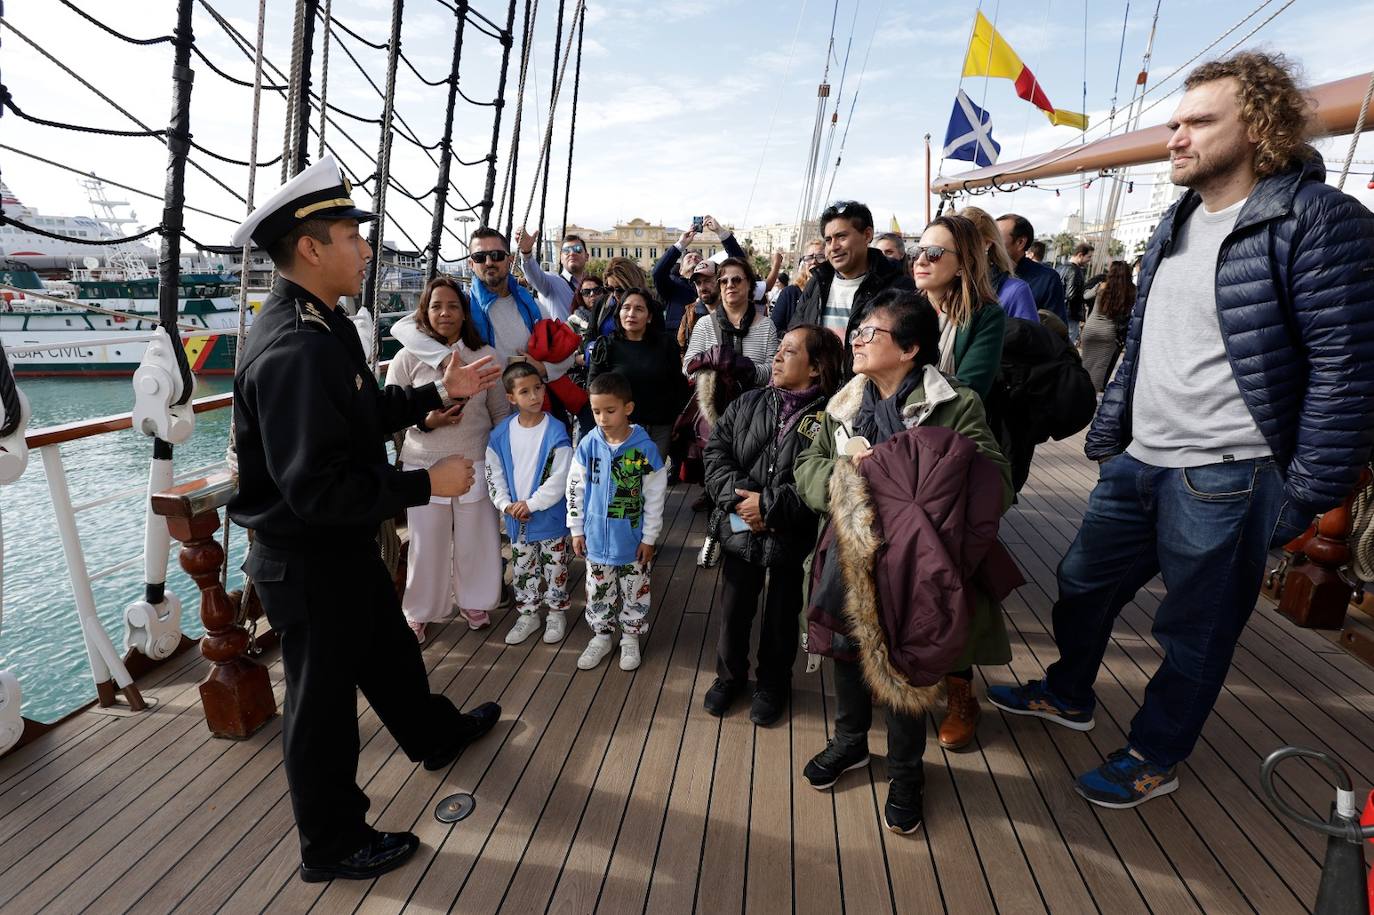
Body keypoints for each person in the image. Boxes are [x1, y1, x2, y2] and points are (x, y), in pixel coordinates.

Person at [988, 51, 1374, 809]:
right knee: (1080, 584)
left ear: (1259, 127)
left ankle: (1155, 752)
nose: (1175, 137)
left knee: (1193, 630)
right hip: (1142, 458)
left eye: (1199, 122)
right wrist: (1112, 431)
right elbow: (1144, 334)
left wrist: (1304, 494)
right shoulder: (1179, 217)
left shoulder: (1320, 222)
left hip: (1231, 470)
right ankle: (1069, 692)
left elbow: (1349, 370)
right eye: (1174, 122)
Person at [228, 155, 503, 882]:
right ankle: (332, 843)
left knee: (388, 651)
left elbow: (356, 415)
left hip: (338, 549)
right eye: (352, 235)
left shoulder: (326, 327)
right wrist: (427, 480)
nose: (366, 248)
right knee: (319, 711)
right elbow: (318, 487)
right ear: (312, 248)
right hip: (306, 556)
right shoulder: (293, 347)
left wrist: (426, 400)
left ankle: (434, 736)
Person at [794, 290, 1015, 835]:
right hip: (848, 553)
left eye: (871, 333)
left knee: (908, 667)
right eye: (857, 331)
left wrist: (901, 478)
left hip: (914, 566)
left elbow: (994, 481)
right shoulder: (842, 403)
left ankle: (906, 771)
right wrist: (847, 479)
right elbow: (807, 466)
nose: (857, 340)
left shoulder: (955, 405)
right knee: (847, 650)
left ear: (911, 348)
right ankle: (849, 741)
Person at [701, 324, 844, 725]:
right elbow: (716, 455)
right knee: (733, 610)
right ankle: (729, 678)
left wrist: (771, 507)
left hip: (791, 532)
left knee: (782, 615)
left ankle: (773, 684)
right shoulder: (748, 402)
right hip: (739, 524)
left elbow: (827, 480)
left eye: (790, 351)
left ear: (816, 368)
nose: (777, 357)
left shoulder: (832, 418)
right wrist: (742, 500)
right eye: (778, 349)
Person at [385, 277, 510, 638]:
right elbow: (393, 414)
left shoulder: (485, 356)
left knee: (478, 538)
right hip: (423, 463)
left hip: (475, 458)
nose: (444, 313)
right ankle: (421, 609)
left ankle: (475, 600)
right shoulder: (406, 358)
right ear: (424, 312)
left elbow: (500, 413)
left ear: (464, 312)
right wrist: (427, 420)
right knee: (426, 544)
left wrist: (504, 459)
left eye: (453, 306)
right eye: (436, 306)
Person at [567, 372, 669, 672]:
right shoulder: (589, 445)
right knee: (598, 589)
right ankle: (601, 636)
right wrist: (576, 528)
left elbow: (654, 495)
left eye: (609, 410)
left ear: (628, 408)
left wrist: (649, 538)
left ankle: (630, 637)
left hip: (632, 542)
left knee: (635, 589)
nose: (602, 418)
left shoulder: (643, 449)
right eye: (596, 411)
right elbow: (575, 487)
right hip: (595, 540)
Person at [486, 362, 574, 646]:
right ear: (511, 398)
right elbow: (494, 473)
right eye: (525, 391)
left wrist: (532, 504)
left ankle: (557, 614)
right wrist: (505, 504)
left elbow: (558, 477)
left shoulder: (556, 431)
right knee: (523, 570)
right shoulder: (500, 435)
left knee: (556, 569)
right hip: (516, 521)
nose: (534, 396)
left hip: (549, 521)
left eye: (538, 388)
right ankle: (528, 615)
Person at [787, 200, 914, 358]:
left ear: (867, 235)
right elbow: (796, 333)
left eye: (841, 237)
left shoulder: (897, 287)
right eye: (828, 240)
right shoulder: (817, 283)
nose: (833, 247)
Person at [911, 215, 1007, 402]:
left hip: (949, 425)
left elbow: (969, 393)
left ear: (964, 264)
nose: (920, 260)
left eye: (934, 253)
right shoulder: (901, 308)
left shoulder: (986, 316)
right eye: (916, 251)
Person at [587, 287, 690, 460]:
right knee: (626, 482)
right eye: (626, 308)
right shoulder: (607, 345)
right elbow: (594, 386)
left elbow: (678, 384)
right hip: (620, 429)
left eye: (639, 309)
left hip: (659, 428)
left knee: (651, 481)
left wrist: (679, 418)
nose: (631, 314)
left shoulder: (665, 344)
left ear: (649, 317)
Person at [682, 257, 779, 384]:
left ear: (749, 283)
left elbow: (774, 371)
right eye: (723, 281)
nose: (730, 285)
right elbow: (687, 369)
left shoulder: (767, 326)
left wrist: (746, 369)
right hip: (714, 402)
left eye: (737, 280)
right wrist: (710, 364)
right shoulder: (704, 324)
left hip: (754, 402)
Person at [652, 215, 747, 333]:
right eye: (689, 257)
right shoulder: (672, 285)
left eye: (698, 258)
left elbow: (740, 265)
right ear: (681, 269)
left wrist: (720, 232)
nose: (693, 258)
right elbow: (657, 273)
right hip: (679, 347)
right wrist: (680, 245)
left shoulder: (717, 285)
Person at [957, 206, 1038, 322]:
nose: (958, 247)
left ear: (987, 244)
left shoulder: (1015, 291)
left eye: (966, 240)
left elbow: (1030, 337)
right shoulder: (942, 284)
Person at [1078, 260, 1135, 392]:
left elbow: (1085, 296)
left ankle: (1077, 390)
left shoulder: (1101, 286)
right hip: (1108, 333)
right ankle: (1089, 398)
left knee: (1085, 363)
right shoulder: (1130, 291)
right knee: (1099, 369)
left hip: (1091, 329)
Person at [996, 213, 1066, 321]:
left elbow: (1055, 330)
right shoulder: (981, 273)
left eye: (997, 238)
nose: (989, 243)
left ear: (1020, 243)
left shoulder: (1047, 279)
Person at [513, 228, 589, 322]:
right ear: (561, 258)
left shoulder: (594, 288)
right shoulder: (551, 283)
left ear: (587, 256)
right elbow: (534, 276)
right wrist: (526, 252)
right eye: (566, 251)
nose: (572, 253)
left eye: (578, 249)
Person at [770, 240, 822, 334]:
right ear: (804, 263)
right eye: (809, 257)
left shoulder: (833, 293)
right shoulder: (790, 293)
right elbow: (774, 330)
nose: (814, 261)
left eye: (820, 257)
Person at [1059, 242, 1094, 345]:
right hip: (1071, 314)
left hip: (1059, 312)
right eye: (1089, 257)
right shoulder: (1075, 271)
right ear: (1080, 255)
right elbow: (1071, 295)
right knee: (1067, 345)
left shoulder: (1060, 267)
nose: (1089, 260)